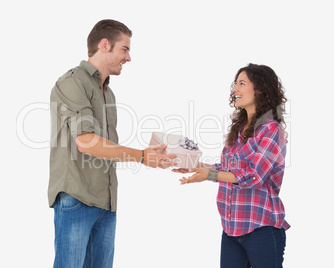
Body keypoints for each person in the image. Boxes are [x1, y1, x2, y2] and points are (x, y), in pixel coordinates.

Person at [49, 19, 175, 268]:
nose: (128, 58)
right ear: (105, 45)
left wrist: (147, 155)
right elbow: (86, 142)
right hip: (77, 198)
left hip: (106, 202)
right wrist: (140, 156)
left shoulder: (108, 92)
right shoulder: (73, 83)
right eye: (124, 49)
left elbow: (104, 146)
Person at [173, 63, 290, 267]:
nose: (234, 89)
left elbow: (254, 175)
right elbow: (229, 169)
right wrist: (195, 165)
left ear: (260, 89)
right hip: (231, 229)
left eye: (242, 83)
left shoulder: (271, 130)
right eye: (235, 84)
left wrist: (209, 175)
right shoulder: (239, 130)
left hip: (261, 228)